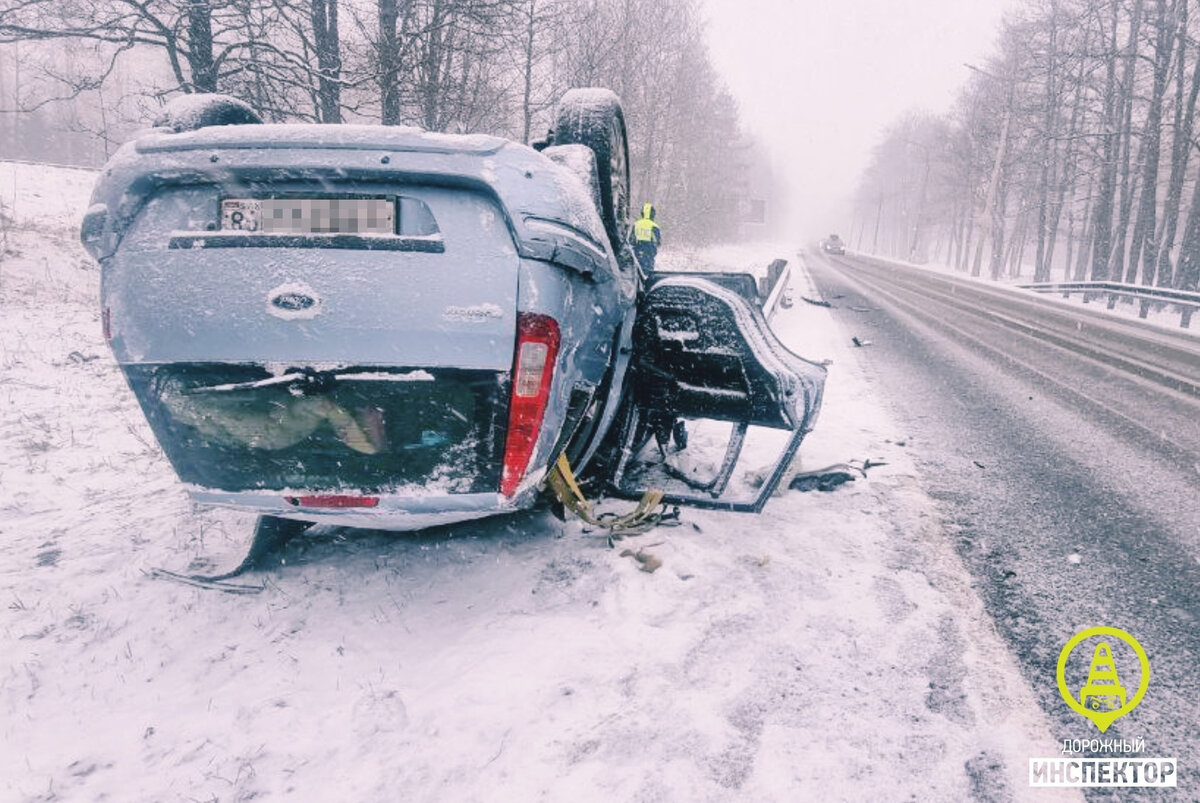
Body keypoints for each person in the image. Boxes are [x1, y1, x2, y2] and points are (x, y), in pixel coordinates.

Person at [631, 202, 662, 272]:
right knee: (648, 272)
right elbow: (658, 242)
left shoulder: (636, 224)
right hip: (649, 252)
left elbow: (631, 240)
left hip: (637, 251)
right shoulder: (654, 226)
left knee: (637, 271)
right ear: (653, 214)